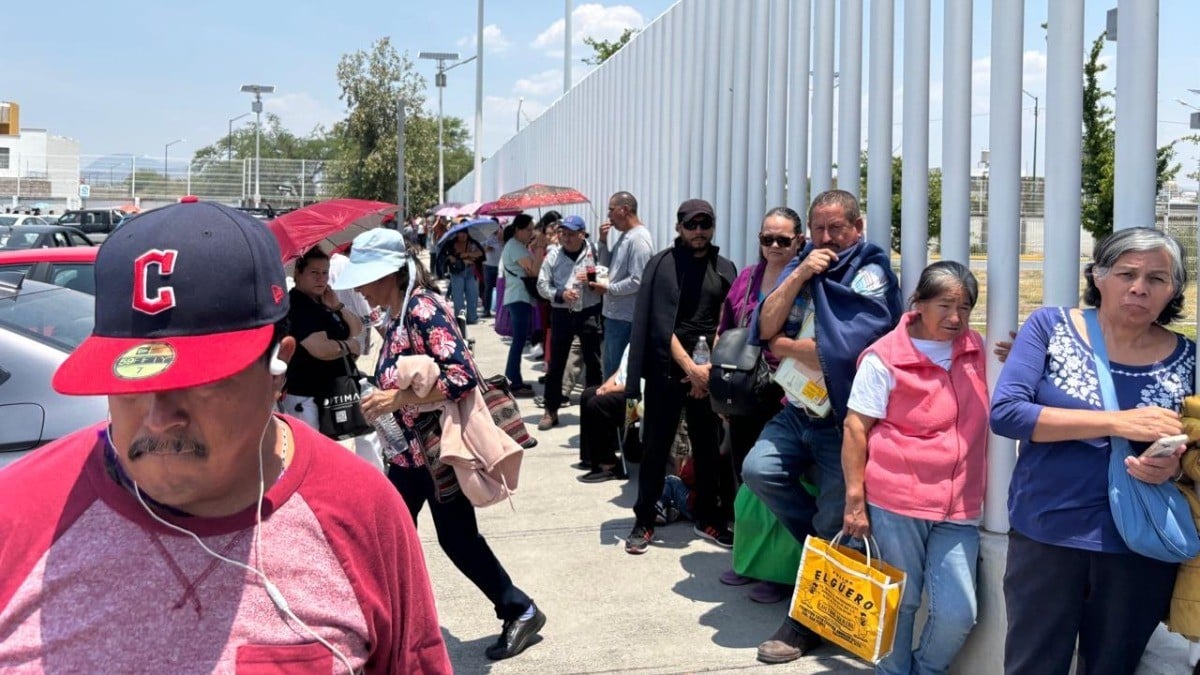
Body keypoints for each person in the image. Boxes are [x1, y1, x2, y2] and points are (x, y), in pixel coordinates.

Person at [0, 199, 450, 672]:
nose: (158, 417)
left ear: (278, 369)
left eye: (201, 382)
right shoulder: (18, 515)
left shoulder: (362, 512)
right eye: (131, 380)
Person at [333, 228, 547, 662]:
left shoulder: (422, 309)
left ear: (391, 274)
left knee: (446, 539)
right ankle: (385, 624)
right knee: (399, 536)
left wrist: (396, 398)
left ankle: (519, 609)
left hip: (434, 455)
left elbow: (462, 376)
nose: (359, 287)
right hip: (409, 454)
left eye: (366, 277)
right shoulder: (394, 312)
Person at [991, 227, 1195, 675]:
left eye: (1158, 279)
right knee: (1033, 665)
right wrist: (1118, 421)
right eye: (1127, 273)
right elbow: (1007, 413)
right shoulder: (1050, 327)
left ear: (1174, 290)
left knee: (1113, 667)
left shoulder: (1189, 357)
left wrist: (1172, 468)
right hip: (1048, 534)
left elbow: (1193, 453)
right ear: (1098, 276)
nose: (1140, 287)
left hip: (1139, 545)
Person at [744, 189, 903, 664]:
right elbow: (765, 325)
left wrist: (786, 346)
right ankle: (822, 545)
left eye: (838, 227)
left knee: (836, 518)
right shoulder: (806, 265)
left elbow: (853, 348)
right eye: (819, 228)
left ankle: (804, 623)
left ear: (858, 228)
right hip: (797, 410)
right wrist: (797, 277)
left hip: (843, 419)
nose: (828, 237)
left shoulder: (870, 272)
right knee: (759, 471)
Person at [841, 261, 989, 675]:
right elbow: (856, 427)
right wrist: (855, 501)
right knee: (899, 602)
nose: (956, 317)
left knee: (959, 612)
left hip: (960, 504)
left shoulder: (977, 350)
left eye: (965, 307)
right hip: (897, 500)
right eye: (945, 305)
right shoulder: (885, 357)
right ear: (918, 303)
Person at [624, 198, 738, 554]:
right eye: (692, 225)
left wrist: (709, 370)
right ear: (679, 228)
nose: (699, 231)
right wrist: (690, 368)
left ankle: (709, 517)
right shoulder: (662, 265)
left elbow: (728, 319)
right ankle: (644, 520)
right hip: (668, 368)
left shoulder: (724, 267)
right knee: (656, 446)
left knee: (708, 448)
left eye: (705, 224)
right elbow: (659, 325)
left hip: (710, 367)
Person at [714, 206, 804, 602]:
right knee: (744, 481)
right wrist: (720, 387)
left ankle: (780, 573)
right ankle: (749, 560)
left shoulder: (807, 280)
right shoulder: (748, 279)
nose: (774, 246)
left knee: (776, 483)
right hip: (748, 391)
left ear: (799, 240)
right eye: (767, 238)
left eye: (783, 239)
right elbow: (726, 327)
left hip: (789, 395)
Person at [281, 247, 365, 433]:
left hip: (332, 393)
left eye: (325, 273)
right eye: (314, 273)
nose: (321, 278)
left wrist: (337, 306)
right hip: (306, 398)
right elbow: (320, 349)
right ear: (298, 274)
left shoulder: (323, 302)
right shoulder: (297, 304)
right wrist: (350, 346)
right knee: (310, 454)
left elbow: (357, 327)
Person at [535, 215, 603, 431]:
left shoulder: (595, 251)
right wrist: (561, 294)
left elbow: (606, 274)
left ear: (582, 234)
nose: (567, 238)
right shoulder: (553, 255)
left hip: (589, 311)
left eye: (572, 234)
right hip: (563, 313)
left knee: (594, 362)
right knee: (556, 364)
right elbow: (541, 285)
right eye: (563, 233)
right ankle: (551, 410)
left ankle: (594, 410)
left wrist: (593, 282)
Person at [594, 191, 655, 379]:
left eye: (611, 210)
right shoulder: (626, 235)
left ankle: (616, 409)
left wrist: (609, 289)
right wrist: (603, 242)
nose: (609, 216)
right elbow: (606, 268)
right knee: (611, 369)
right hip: (614, 315)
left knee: (617, 376)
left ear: (625, 209)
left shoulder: (638, 238)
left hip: (625, 319)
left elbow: (638, 280)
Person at [578, 345, 633, 482]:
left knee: (598, 404)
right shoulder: (635, 338)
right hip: (622, 387)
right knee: (587, 395)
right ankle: (591, 458)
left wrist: (612, 389)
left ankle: (610, 464)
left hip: (636, 395)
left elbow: (637, 382)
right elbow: (621, 370)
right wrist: (608, 384)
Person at [501, 214, 538, 397]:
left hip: (519, 297)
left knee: (519, 341)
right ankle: (513, 382)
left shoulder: (517, 246)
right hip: (518, 297)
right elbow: (533, 269)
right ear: (518, 230)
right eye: (528, 230)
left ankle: (514, 379)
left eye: (533, 229)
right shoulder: (515, 247)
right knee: (519, 341)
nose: (531, 233)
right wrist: (539, 248)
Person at [438, 228, 485, 325]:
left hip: (471, 271)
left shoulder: (473, 243)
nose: (462, 235)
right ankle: (460, 319)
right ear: (457, 234)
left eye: (464, 233)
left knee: (472, 295)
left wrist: (467, 254)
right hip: (457, 272)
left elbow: (481, 253)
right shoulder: (450, 244)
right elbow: (443, 256)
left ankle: (472, 318)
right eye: (460, 233)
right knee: (458, 297)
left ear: (467, 234)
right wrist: (452, 258)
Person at [482, 224, 503, 319]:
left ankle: (499, 311)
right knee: (488, 289)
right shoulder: (486, 236)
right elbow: (480, 249)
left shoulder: (502, 235)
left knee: (500, 288)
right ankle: (486, 310)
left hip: (500, 267)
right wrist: (486, 248)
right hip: (488, 266)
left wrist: (501, 238)